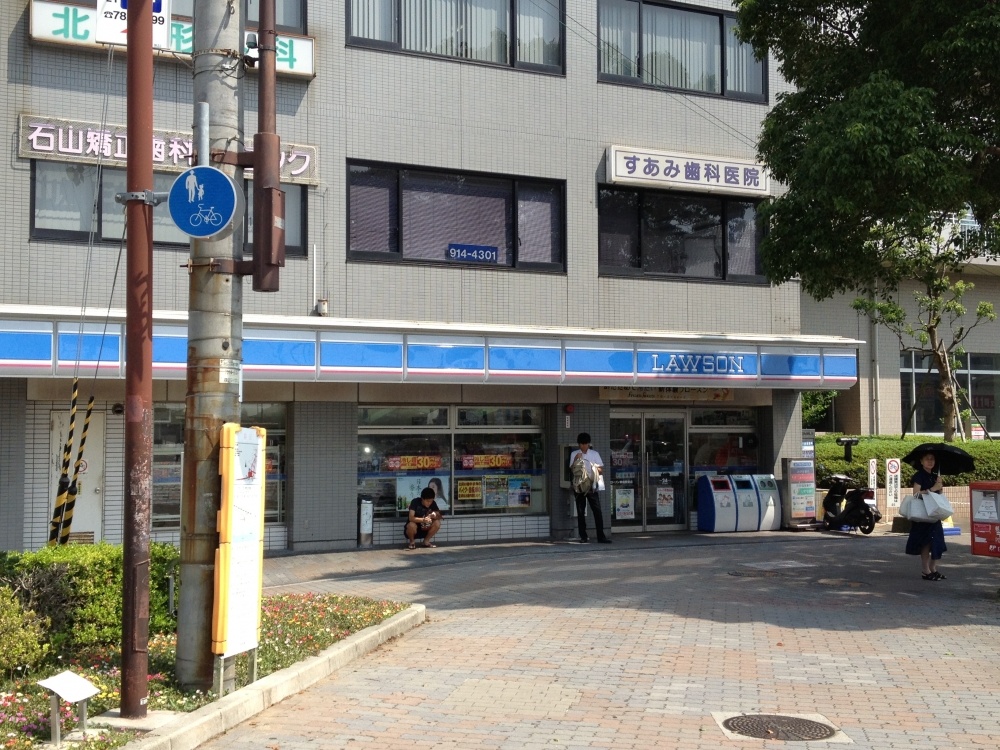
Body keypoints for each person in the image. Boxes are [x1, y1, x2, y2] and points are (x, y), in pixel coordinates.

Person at [907, 452, 947, 580]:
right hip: (923, 514)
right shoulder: (919, 476)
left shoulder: (935, 477)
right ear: (922, 461)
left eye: (932, 459)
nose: (930, 461)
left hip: (934, 513)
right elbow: (916, 494)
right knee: (925, 542)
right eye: (927, 459)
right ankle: (926, 570)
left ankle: (933, 568)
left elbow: (938, 495)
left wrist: (940, 487)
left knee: (937, 541)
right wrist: (933, 488)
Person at [569, 432, 610, 544]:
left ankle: (601, 536)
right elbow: (572, 469)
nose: (583, 446)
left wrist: (594, 468)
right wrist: (576, 459)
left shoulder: (594, 454)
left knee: (597, 511)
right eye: (581, 444)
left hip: (591, 485)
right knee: (580, 511)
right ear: (579, 444)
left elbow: (601, 469)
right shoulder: (574, 454)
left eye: (585, 444)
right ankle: (583, 536)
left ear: (588, 443)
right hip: (579, 485)